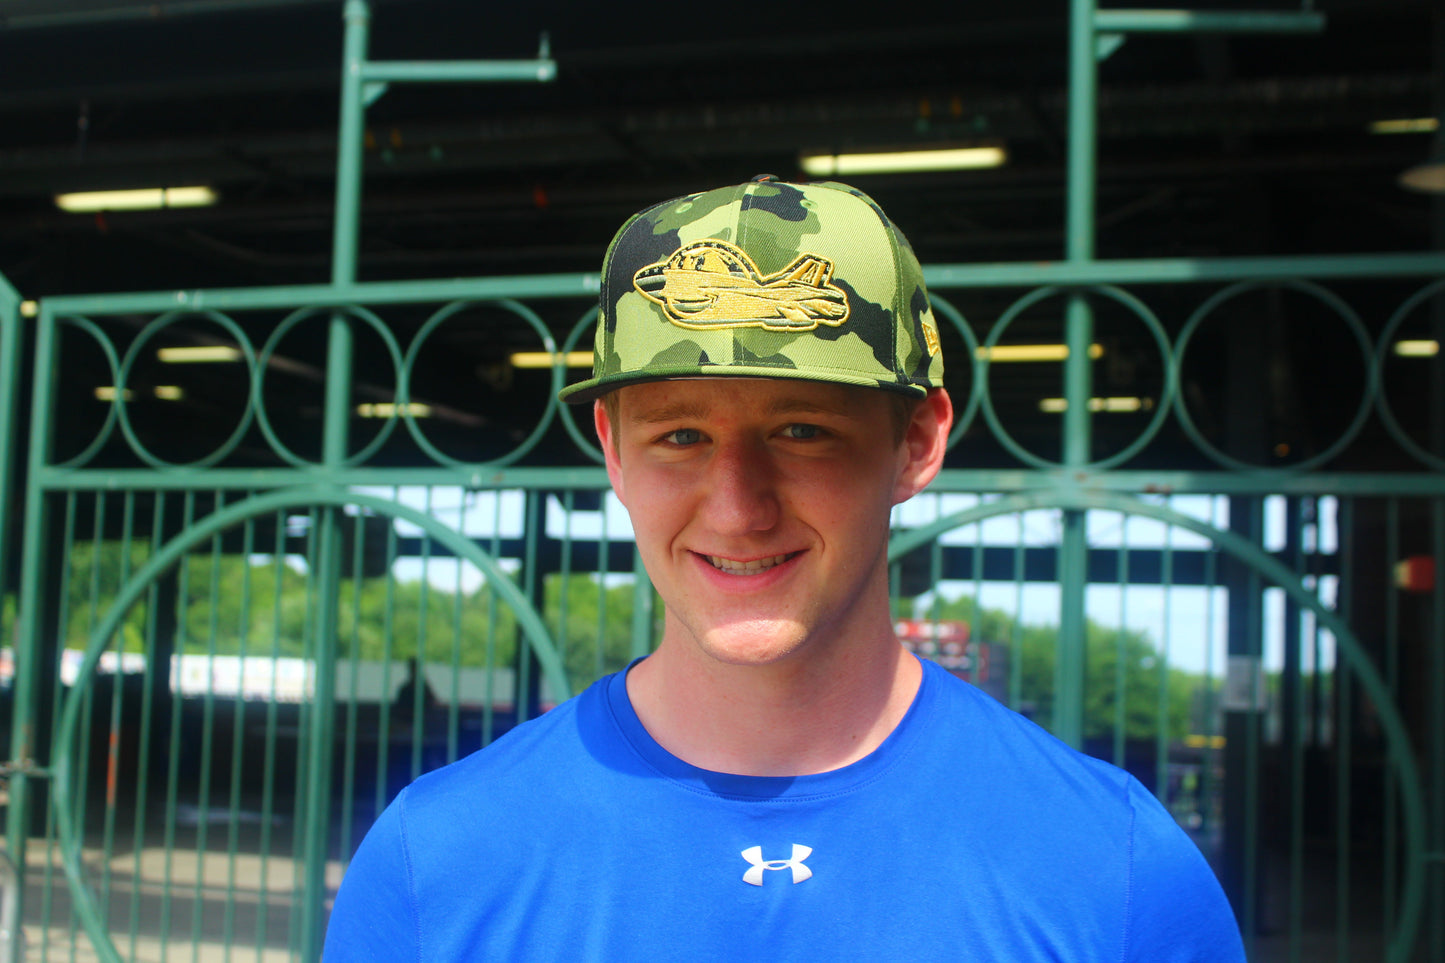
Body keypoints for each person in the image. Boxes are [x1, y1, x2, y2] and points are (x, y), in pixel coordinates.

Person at [323, 176, 1246, 961]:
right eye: (679, 435)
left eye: (801, 430)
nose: (737, 505)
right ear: (611, 450)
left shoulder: (1111, 866)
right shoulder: (436, 859)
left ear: (917, 442)